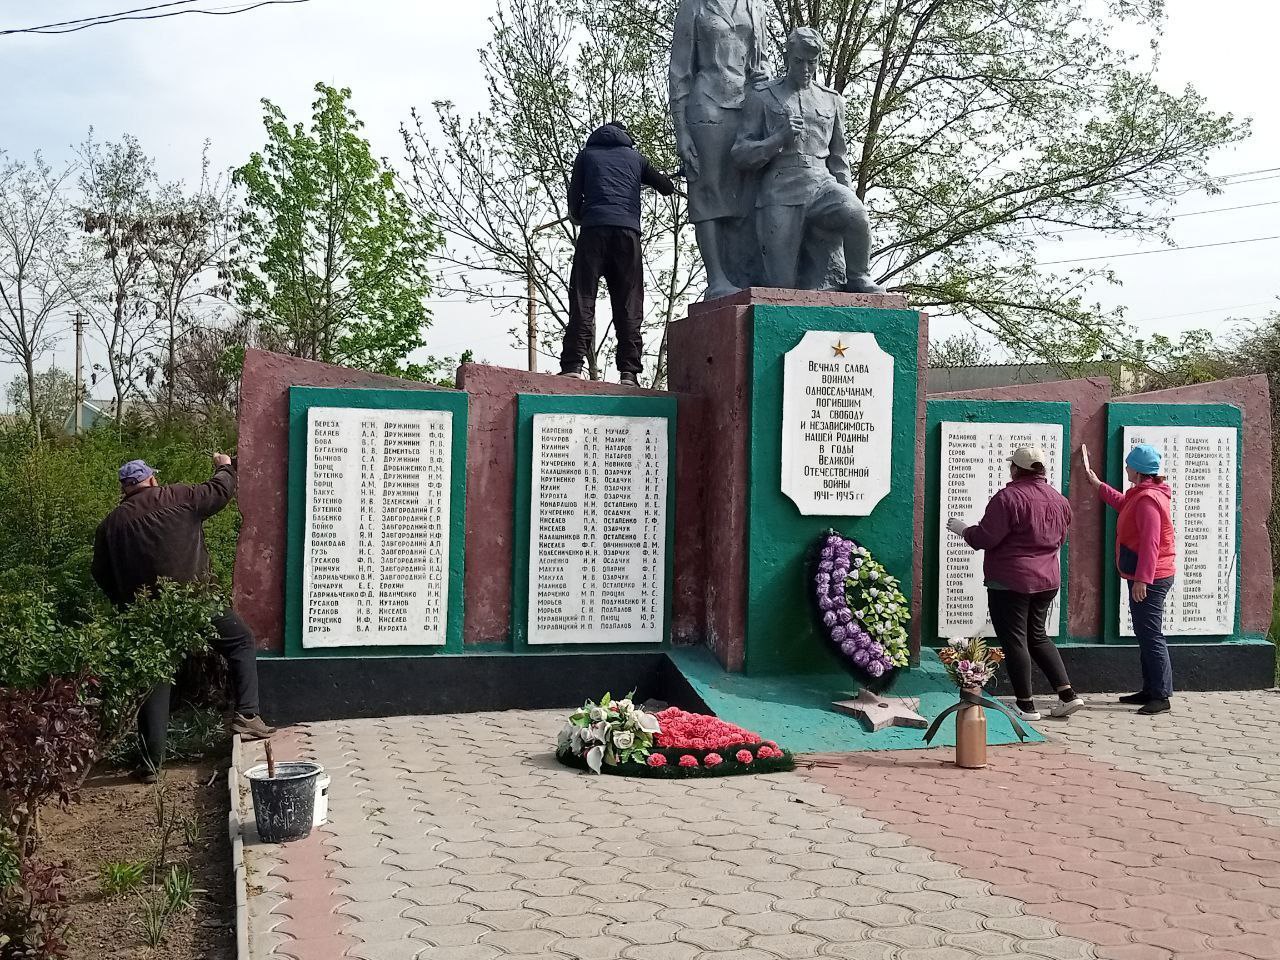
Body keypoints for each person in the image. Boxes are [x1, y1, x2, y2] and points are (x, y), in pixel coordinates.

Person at [92, 455, 274, 781]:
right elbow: (220, 491)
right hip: (195, 604)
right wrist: (224, 464)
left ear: (124, 488)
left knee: (154, 679)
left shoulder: (111, 525)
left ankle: (150, 765)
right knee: (241, 641)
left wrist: (128, 604)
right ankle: (247, 715)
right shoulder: (178, 496)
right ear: (151, 480)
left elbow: (101, 573)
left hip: (145, 615)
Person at [730, 28, 885, 293]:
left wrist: (845, 192)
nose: (805, 68)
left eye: (811, 62)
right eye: (799, 61)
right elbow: (740, 153)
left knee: (856, 212)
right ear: (788, 56)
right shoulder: (763, 96)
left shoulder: (832, 100)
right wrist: (778, 138)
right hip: (780, 190)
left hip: (822, 184)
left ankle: (859, 276)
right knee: (780, 287)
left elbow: (839, 159)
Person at [946, 446, 1083, 721]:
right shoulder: (1059, 500)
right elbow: (1060, 540)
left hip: (1010, 581)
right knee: (1038, 636)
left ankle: (1026, 705)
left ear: (1016, 469)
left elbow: (985, 538)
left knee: (1015, 640)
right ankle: (1068, 695)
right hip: (1047, 579)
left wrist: (962, 529)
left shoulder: (1008, 498)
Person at [669, 0, 772, 299]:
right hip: (707, 107)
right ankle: (717, 278)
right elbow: (680, 71)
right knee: (707, 190)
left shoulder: (756, 6)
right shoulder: (694, 6)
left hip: (749, 106)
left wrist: (763, 75)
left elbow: (761, 60)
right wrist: (682, 131)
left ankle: (746, 271)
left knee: (750, 193)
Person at [560, 122, 676, 386]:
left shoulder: (586, 156)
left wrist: (580, 215)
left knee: (583, 297)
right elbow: (666, 187)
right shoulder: (636, 158)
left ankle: (573, 365)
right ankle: (629, 372)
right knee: (629, 302)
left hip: (593, 232)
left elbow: (574, 199)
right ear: (627, 137)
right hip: (627, 235)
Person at [1080, 443, 1176, 715]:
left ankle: (1161, 696)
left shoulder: (1148, 500)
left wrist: (1142, 580)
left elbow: (1151, 543)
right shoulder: (1141, 493)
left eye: (1128, 465)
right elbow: (1123, 504)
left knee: (1151, 635)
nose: (1125, 468)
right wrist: (1098, 484)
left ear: (1137, 470)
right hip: (1145, 574)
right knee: (1145, 634)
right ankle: (1150, 689)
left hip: (1152, 577)